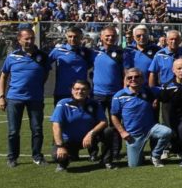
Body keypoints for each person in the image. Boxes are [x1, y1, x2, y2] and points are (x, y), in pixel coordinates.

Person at [0, 28, 50, 168]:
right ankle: (12, 157)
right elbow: (3, 77)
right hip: (15, 98)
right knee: (13, 131)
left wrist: (36, 88)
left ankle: (37, 156)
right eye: (26, 38)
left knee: (37, 129)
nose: (30, 41)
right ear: (19, 40)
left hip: (36, 99)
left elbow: (45, 75)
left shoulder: (43, 57)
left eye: (32, 38)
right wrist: (1, 96)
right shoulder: (12, 57)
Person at [110, 68, 173, 168]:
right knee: (134, 165)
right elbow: (114, 116)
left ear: (142, 79)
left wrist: (157, 98)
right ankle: (139, 155)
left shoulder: (149, 91)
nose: (133, 79)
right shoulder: (119, 96)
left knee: (167, 132)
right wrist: (122, 132)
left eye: (136, 77)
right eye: (130, 77)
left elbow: (167, 89)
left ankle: (155, 155)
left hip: (151, 128)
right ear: (126, 80)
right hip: (133, 134)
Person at [50, 80, 109, 172]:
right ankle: (63, 163)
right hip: (68, 141)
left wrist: (91, 133)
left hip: (89, 140)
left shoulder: (94, 103)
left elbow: (104, 122)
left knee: (108, 131)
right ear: (72, 90)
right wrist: (60, 146)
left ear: (89, 91)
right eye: (77, 89)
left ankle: (106, 161)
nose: (80, 92)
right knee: (56, 155)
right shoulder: (63, 103)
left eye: (83, 89)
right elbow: (56, 125)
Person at [88, 26, 125, 168]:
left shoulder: (120, 53)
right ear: (101, 37)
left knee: (115, 124)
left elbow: (125, 72)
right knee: (94, 124)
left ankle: (115, 151)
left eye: (113, 36)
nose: (110, 38)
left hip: (115, 95)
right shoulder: (93, 53)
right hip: (97, 95)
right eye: (107, 36)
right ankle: (93, 151)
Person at [48, 25, 94, 105]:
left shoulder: (86, 52)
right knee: (61, 117)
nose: (72, 39)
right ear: (66, 36)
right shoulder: (58, 51)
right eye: (70, 36)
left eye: (75, 37)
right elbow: (45, 65)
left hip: (81, 92)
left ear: (81, 37)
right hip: (62, 91)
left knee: (81, 116)